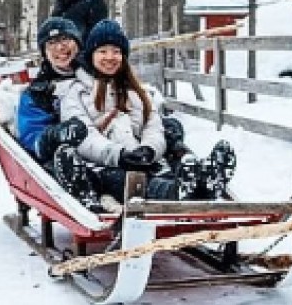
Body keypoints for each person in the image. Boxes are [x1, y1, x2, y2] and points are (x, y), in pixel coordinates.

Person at [54, 20, 236, 207]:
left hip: (142, 158)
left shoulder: (136, 90)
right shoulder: (76, 93)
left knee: (160, 169)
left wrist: (149, 149)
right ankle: (179, 192)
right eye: (103, 51)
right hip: (105, 165)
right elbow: (83, 137)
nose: (110, 57)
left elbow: (153, 126)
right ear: (91, 55)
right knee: (130, 180)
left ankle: (204, 182)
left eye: (116, 52)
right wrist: (119, 155)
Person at [16, 17, 87, 164]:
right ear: (45, 53)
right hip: (65, 160)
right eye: (51, 43)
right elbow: (31, 136)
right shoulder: (37, 93)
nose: (60, 48)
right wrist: (53, 136)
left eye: (65, 39)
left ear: (78, 44)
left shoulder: (97, 78)